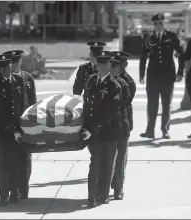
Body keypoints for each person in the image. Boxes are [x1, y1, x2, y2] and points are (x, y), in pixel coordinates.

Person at [81, 51, 122, 208]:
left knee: (107, 164)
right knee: (95, 162)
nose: (103, 67)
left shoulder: (114, 85)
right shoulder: (91, 80)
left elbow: (110, 112)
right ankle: (92, 196)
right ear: (96, 64)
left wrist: (93, 129)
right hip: (92, 131)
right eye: (100, 63)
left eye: (106, 64)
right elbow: (86, 104)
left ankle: (103, 195)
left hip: (108, 131)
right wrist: (85, 127)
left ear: (110, 65)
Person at [0, 54, 26, 206]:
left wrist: (22, 126)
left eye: (10, 66)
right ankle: (4, 195)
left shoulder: (19, 80)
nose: (10, 69)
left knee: (14, 162)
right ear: (1, 69)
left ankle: (14, 192)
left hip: (14, 129)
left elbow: (22, 104)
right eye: (6, 67)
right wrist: (13, 130)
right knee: (1, 164)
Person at [139, 12, 185, 139]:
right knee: (152, 104)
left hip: (167, 75)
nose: (158, 26)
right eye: (155, 24)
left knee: (166, 103)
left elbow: (182, 53)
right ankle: (150, 131)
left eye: (160, 23)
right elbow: (143, 56)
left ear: (164, 23)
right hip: (153, 75)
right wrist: (141, 74)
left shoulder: (171, 36)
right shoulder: (148, 37)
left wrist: (180, 72)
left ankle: (165, 130)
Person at [3, 50, 37, 199]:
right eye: (13, 63)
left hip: (25, 122)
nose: (15, 65)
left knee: (25, 158)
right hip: (11, 123)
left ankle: (24, 188)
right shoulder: (7, 79)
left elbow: (33, 101)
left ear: (20, 62)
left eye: (17, 62)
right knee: (11, 158)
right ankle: (13, 190)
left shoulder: (28, 78)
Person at [107, 52, 131, 200]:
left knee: (120, 158)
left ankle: (118, 188)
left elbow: (124, 105)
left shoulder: (127, 82)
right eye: (113, 65)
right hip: (107, 125)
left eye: (118, 65)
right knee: (106, 157)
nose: (116, 68)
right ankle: (104, 185)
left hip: (122, 124)